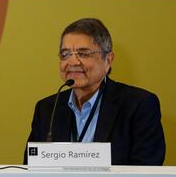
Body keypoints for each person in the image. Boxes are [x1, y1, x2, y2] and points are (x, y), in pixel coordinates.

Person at [24, 18, 165, 165]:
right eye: (65, 54)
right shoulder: (47, 109)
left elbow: (146, 170)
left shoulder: (139, 105)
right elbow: (31, 168)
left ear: (108, 61)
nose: (72, 62)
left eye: (83, 54)